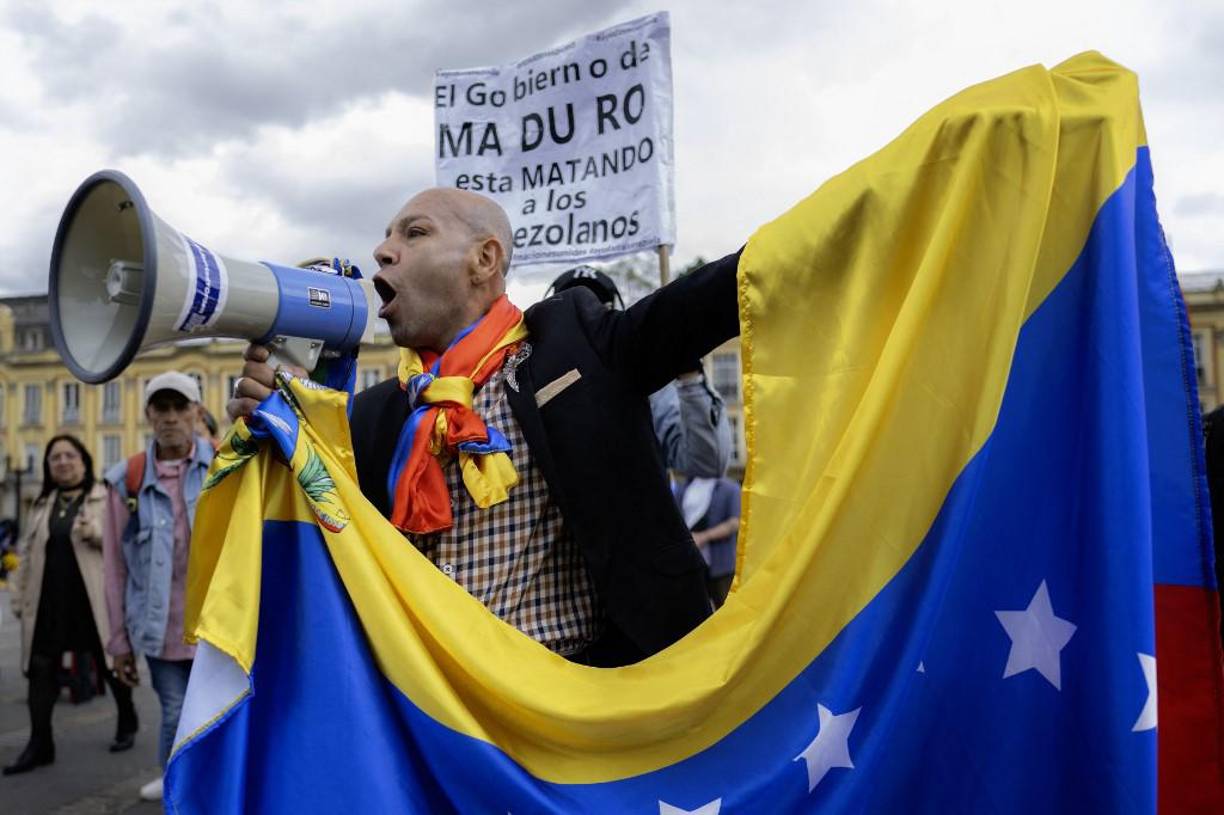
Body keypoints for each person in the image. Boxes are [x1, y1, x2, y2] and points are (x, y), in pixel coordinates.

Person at [229, 187, 741, 667]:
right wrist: (284, 443)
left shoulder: (577, 344)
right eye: (386, 235)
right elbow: (322, 555)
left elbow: (716, 296)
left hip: (580, 705)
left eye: (414, 232)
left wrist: (817, 235)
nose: (382, 251)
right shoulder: (373, 412)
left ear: (484, 259)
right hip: (435, 717)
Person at [104, 372, 214, 801]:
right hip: (158, 625)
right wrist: (118, 644)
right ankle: (177, 785)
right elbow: (114, 568)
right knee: (173, 709)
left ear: (196, 412)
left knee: (213, 709)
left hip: (215, 624)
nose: (170, 418)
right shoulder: (125, 481)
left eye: (179, 407)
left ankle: (206, 780)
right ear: (149, 414)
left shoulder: (227, 463)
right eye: (161, 408)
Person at [4, 435, 138, 775]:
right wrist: (19, 600)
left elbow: (128, 546)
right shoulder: (43, 504)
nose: (62, 462)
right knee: (40, 670)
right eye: (55, 458)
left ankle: (127, 717)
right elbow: (25, 553)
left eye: (70, 455)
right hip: (49, 604)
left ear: (84, 461)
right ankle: (40, 743)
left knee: (109, 666)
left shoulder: (104, 498)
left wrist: (96, 533)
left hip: (92, 603)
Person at [548, 266, 732, 478]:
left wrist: (689, 373)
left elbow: (707, 464)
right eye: (570, 310)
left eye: (597, 308)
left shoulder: (648, 389)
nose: (584, 319)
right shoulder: (528, 382)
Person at [675, 475, 742, 608]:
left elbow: (735, 522)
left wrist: (703, 537)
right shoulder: (683, 488)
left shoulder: (730, 488)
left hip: (722, 565)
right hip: (692, 565)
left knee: (726, 609)